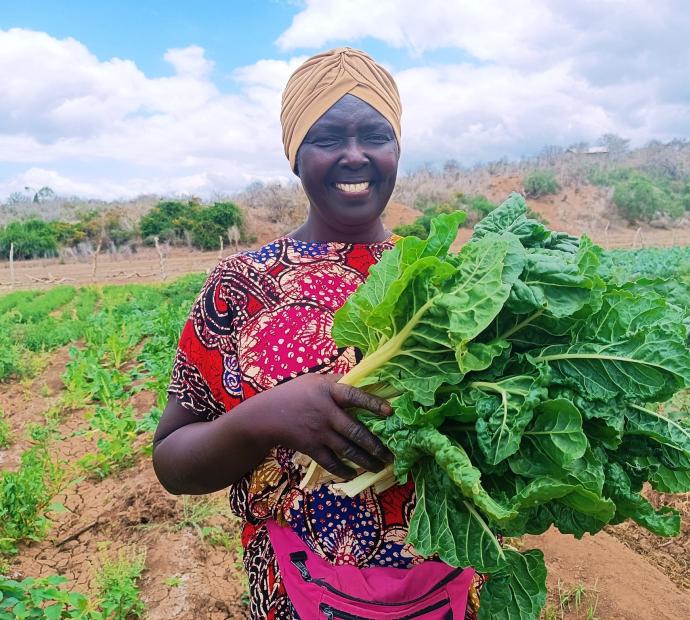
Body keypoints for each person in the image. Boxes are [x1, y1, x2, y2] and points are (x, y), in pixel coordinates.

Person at [152, 47, 481, 619]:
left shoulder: (448, 283)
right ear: (295, 155)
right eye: (328, 138)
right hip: (294, 588)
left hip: (442, 585)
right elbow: (172, 463)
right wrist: (263, 419)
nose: (355, 156)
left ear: (397, 149)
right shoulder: (240, 284)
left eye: (374, 135)